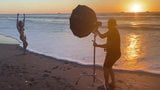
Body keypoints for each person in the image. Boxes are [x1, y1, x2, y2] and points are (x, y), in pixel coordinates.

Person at [94, 18, 121, 89]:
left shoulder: (112, 32)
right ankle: (113, 83)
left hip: (113, 54)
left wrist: (97, 45)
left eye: (108, 24)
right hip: (114, 53)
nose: (107, 25)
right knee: (109, 67)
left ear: (110, 24)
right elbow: (102, 36)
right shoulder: (113, 30)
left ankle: (106, 85)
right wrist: (97, 31)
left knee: (105, 67)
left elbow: (107, 45)